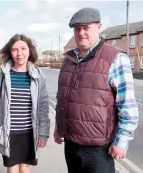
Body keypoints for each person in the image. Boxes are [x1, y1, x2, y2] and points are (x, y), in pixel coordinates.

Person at [54, 7, 139, 173]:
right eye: (77, 29)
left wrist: (121, 141)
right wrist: (59, 127)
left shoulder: (115, 58)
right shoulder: (68, 59)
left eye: (86, 28)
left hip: (98, 149)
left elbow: (127, 105)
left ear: (99, 27)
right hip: (71, 145)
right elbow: (62, 98)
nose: (81, 33)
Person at [0, 34, 50, 173]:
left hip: (29, 132)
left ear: (29, 50)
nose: (19, 53)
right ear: (10, 52)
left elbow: (43, 107)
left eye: (23, 48)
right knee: (12, 168)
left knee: (25, 168)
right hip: (9, 131)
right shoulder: (1, 74)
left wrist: (43, 133)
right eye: (14, 49)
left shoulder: (38, 75)